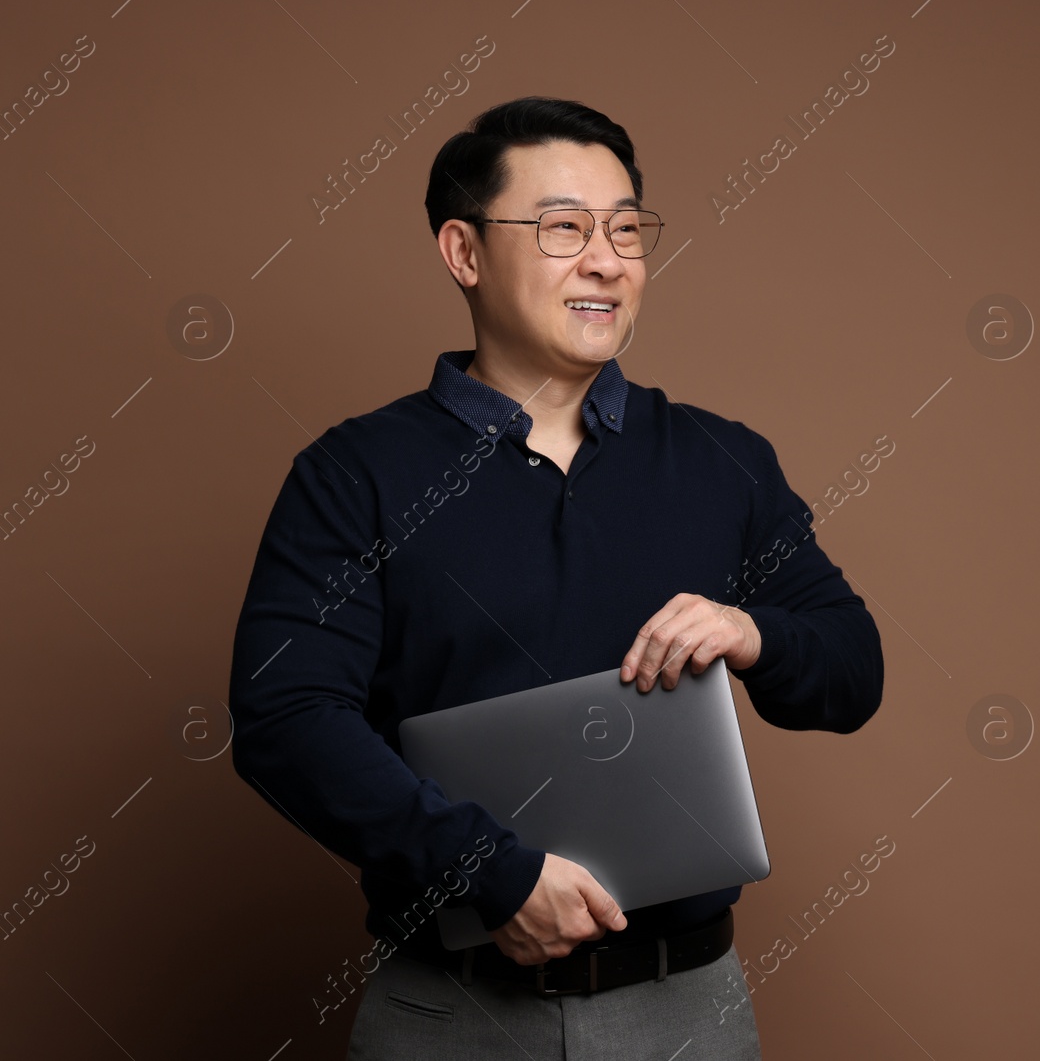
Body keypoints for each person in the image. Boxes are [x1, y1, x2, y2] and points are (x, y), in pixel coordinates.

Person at [226, 96, 885, 1059]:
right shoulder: (353, 472)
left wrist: (754, 632)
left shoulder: (721, 459)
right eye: (563, 227)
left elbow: (853, 671)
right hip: (449, 1013)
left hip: (686, 1013)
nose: (607, 260)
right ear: (464, 252)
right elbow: (285, 719)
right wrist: (487, 873)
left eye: (627, 229)